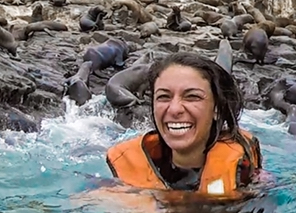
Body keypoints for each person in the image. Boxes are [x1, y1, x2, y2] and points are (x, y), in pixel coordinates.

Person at [106, 51, 263, 198]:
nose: (174, 109)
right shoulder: (122, 185)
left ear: (217, 108)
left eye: (192, 97)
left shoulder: (247, 179)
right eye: (163, 97)